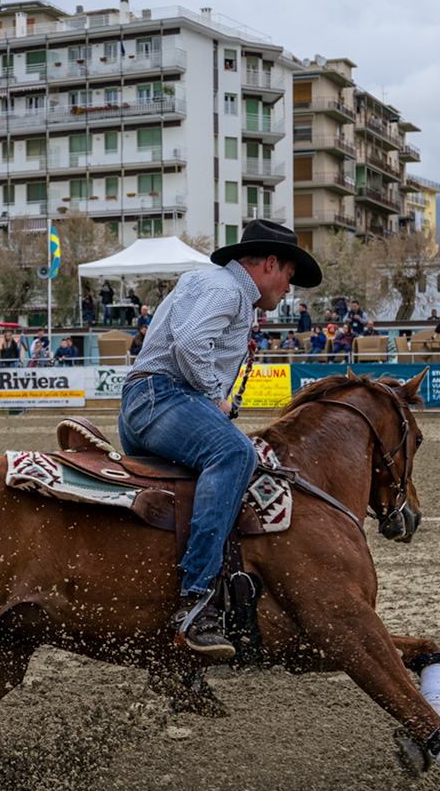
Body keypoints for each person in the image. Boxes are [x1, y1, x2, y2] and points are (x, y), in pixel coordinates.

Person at [120, 218, 320, 658]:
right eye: (289, 275)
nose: (290, 289)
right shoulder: (226, 289)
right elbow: (190, 343)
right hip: (164, 398)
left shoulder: (214, 286)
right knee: (233, 453)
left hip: (144, 404)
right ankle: (197, 601)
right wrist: (217, 400)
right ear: (270, 264)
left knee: (187, 497)